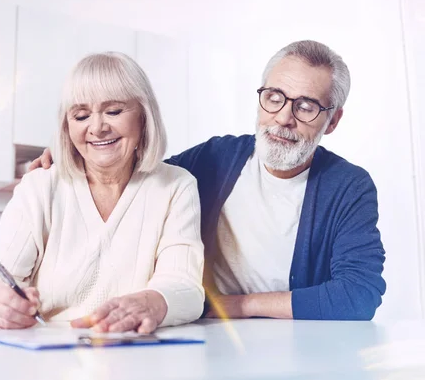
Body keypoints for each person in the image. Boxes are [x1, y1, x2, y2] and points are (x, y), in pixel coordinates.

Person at [30, 40, 386, 321]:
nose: (283, 118)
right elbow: (135, 175)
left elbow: (358, 295)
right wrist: (74, 156)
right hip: (205, 335)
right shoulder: (217, 158)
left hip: (293, 341)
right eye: (274, 98)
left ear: (333, 121)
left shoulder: (349, 186)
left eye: (306, 106)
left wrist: (239, 306)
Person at [0, 52, 205, 333]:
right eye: (81, 115)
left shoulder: (176, 186)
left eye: (114, 111)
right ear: (67, 126)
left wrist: (152, 302)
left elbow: (186, 288)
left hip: (137, 355)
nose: (97, 128)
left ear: (144, 117)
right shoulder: (40, 187)